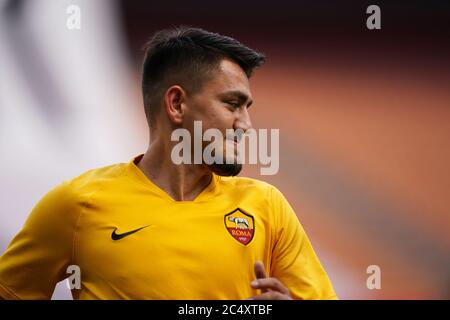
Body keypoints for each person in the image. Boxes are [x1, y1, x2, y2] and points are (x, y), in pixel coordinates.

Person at [0, 26, 337, 300]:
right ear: (176, 104)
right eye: (232, 104)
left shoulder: (267, 207)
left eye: (247, 107)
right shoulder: (76, 205)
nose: (246, 124)